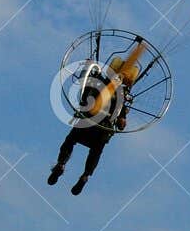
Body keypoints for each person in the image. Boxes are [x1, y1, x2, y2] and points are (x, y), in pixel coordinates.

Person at [48, 59, 132, 195]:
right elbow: (121, 123)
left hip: (87, 123)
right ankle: (85, 175)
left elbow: (83, 89)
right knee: (96, 151)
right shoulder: (120, 96)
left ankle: (61, 164)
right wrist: (122, 119)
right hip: (101, 130)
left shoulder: (97, 84)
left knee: (70, 140)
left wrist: (87, 67)